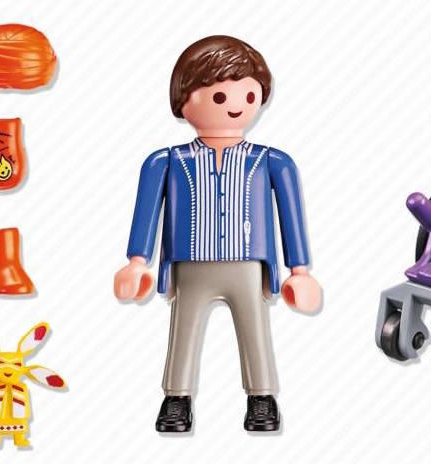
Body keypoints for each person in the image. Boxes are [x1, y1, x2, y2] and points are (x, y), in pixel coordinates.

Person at [114, 36, 322, 432]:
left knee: (255, 328)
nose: (236, 105)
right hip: (190, 263)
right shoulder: (167, 161)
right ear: (183, 99)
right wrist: (136, 262)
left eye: (248, 94)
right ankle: (176, 399)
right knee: (184, 330)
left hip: (248, 264)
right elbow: (146, 212)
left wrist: (300, 270)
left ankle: (262, 398)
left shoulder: (272, 161)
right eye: (220, 96)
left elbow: (290, 214)